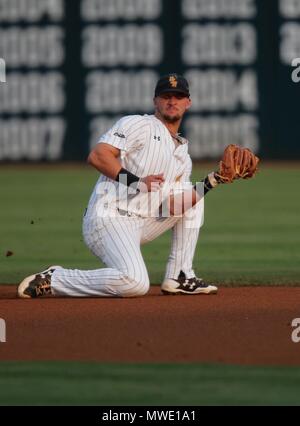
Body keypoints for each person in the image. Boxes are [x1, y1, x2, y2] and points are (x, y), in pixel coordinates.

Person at [17, 73, 256, 299]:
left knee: (195, 197)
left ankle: (180, 275)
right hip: (109, 218)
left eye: (178, 96)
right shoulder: (138, 125)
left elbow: (175, 206)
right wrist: (137, 182)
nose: (172, 101)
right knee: (135, 282)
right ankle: (57, 278)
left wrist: (214, 179)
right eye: (166, 96)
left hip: (142, 223)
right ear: (155, 101)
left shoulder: (183, 155)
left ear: (188, 103)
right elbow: (98, 156)